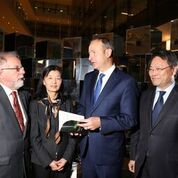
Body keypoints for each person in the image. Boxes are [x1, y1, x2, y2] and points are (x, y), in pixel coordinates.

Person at [77, 36, 139, 178]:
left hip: (108, 155)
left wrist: (101, 122)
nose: (90, 57)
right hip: (86, 150)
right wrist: (77, 125)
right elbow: (82, 106)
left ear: (108, 53)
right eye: (89, 53)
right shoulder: (89, 77)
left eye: (94, 52)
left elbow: (130, 119)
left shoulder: (126, 82)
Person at [128, 48, 178, 178]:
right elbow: (137, 129)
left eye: (158, 69)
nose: (153, 73)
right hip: (142, 165)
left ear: (174, 69)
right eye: (151, 69)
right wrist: (133, 156)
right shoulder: (145, 96)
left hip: (170, 168)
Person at [30, 65, 77, 178]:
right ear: (44, 81)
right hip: (41, 162)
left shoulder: (67, 104)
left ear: (61, 81)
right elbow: (34, 138)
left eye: (58, 78)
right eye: (50, 78)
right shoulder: (35, 104)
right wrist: (49, 161)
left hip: (63, 160)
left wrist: (66, 158)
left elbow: (72, 135)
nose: (54, 82)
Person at [0, 51, 31, 178]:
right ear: (1, 71)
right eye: (18, 68)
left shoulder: (23, 96)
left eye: (22, 68)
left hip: (24, 167)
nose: (23, 72)